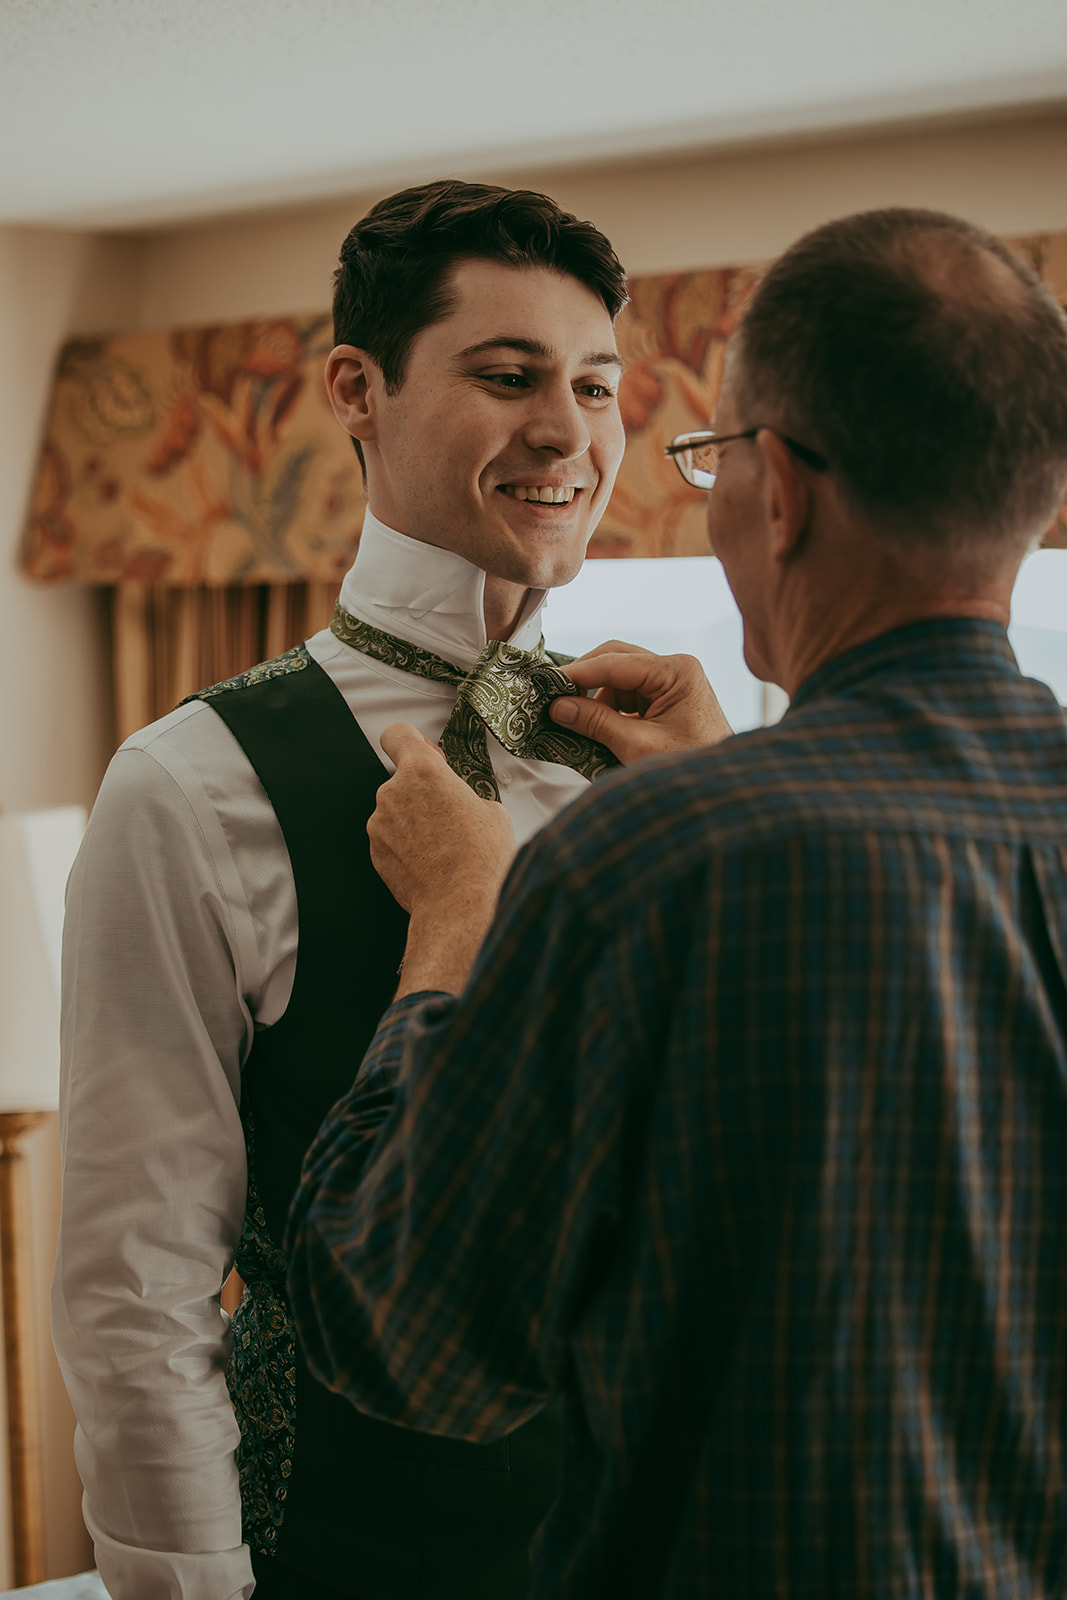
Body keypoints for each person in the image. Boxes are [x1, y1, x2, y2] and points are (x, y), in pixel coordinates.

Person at [286, 207, 1067, 1599]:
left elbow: (407, 1340)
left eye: (702, 458)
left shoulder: (655, 860)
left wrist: (460, 926)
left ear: (781, 492)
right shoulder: (706, 838)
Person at [53, 180, 678, 1600]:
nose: (569, 432)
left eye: (594, 385)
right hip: (360, 1547)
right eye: (508, 376)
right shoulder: (189, 783)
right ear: (357, 388)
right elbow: (136, 1283)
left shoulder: (662, 762)